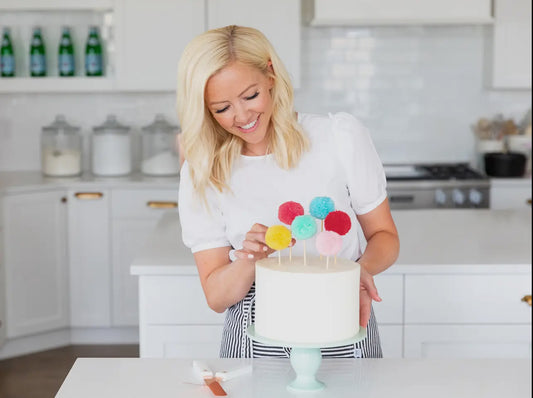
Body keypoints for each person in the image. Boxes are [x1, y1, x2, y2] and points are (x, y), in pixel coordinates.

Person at [177, 25, 399, 358]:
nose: (242, 116)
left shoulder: (339, 136)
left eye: (250, 96)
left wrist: (358, 271)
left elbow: (385, 236)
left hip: (343, 313)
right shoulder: (203, 171)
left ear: (270, 74)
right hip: (256, 339)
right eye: (222, 108)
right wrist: (249, 259)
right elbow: (216, 296)